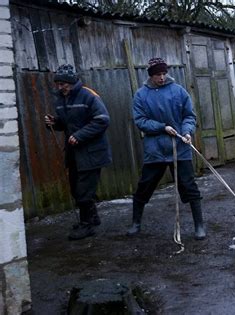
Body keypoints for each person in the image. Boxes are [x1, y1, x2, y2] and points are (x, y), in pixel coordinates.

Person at [126, 57, 206, 240]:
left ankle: (199, 226)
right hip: (155, 150)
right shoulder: (141, 95)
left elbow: (189, 116)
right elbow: (140, 121)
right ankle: (135, 223)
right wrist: (162, 127)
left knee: (189, 186)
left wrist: (186, 132)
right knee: (144, 186)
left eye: (163, 73)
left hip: (180, 147)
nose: (161, 77)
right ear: (151, 76)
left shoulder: (179, 91)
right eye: (157, 74)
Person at [44, 64, 112, 240]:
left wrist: (80, 135)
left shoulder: (89, 96)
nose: (60, 87)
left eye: (63, 84)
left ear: (72, 82)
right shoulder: (61, 99)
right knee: (76, 188)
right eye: (57, 84)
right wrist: (54, 123)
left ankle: (86, 225)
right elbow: (67, 123)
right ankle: (93, 217)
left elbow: (102, 120)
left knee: (84, 190)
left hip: (92, 152)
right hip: (74, 153)